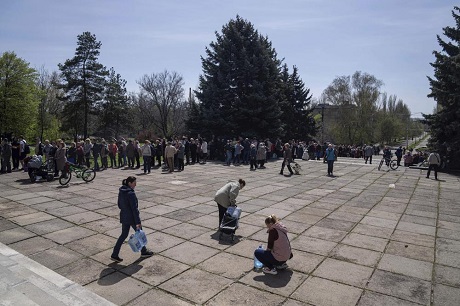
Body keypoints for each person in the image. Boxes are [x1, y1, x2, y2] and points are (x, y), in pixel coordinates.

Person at [111, 176, 153, 262]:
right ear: (129, 183)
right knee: (139, 233)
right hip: (132, 218)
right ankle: (144, 251)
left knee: (123, 235)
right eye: (134, 183)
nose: (135, 185)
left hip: (124, 216)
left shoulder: (121, 191)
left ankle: (114, 254)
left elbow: (119, 205)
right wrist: (138, 222)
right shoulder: (131, 193)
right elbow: (134, 209)